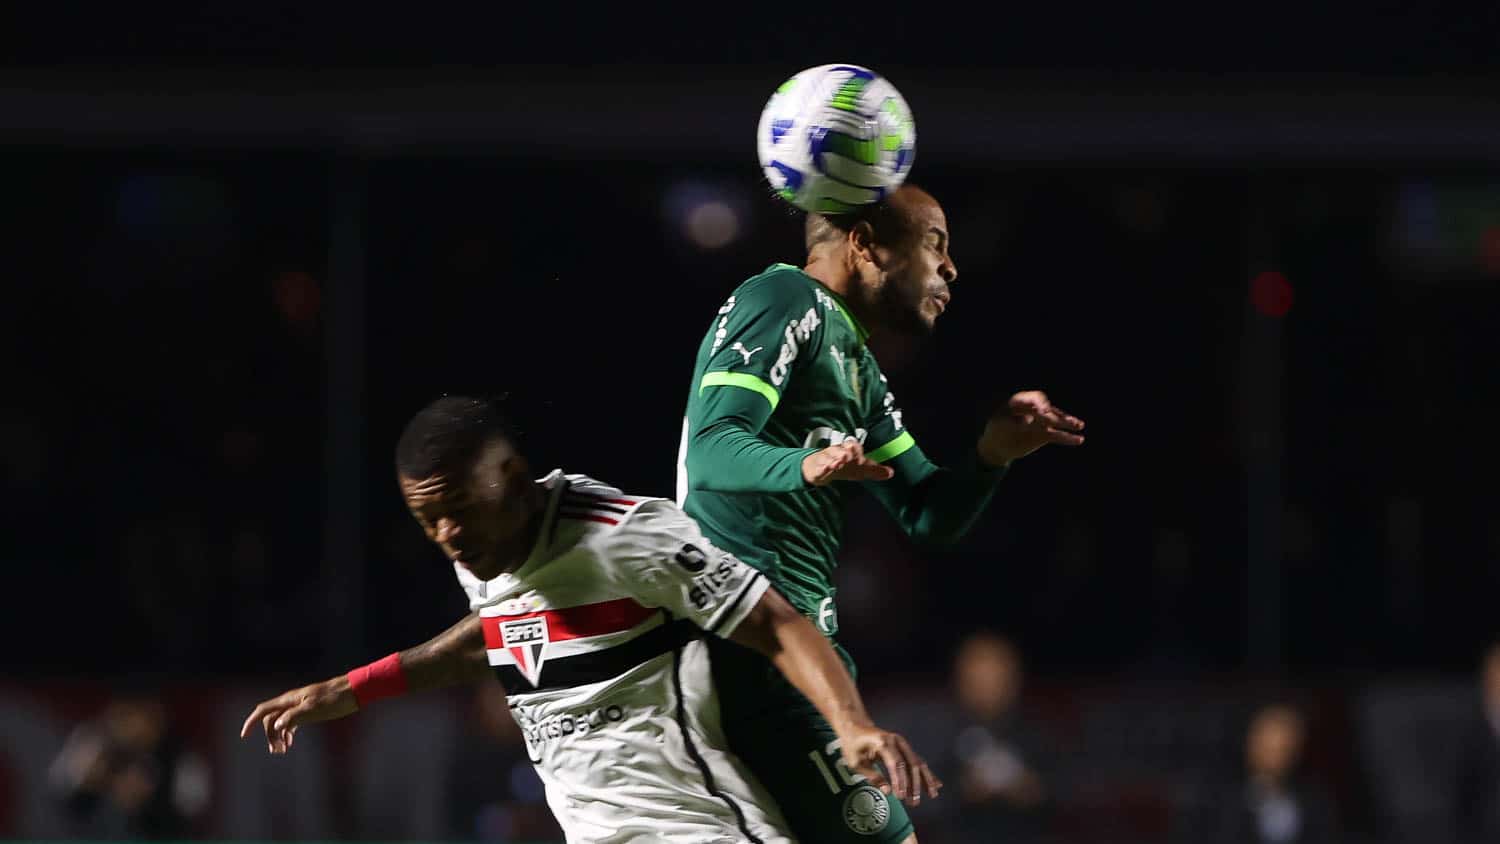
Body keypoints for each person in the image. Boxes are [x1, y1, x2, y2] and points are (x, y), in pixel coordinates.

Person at [240, 395, 938, 844]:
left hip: (693, 831)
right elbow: (495, 632)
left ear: (512, 480)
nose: (448, 534)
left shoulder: (623, 538)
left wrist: (851, 724)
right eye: (429, 520)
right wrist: (349, 689)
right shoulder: (486, 552)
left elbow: (775, 622)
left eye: (460, 510)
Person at [677, 182, 1085, 843]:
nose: (950, 267)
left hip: (797, 656)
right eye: (934, 244)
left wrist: (991, 455)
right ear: (863, 244)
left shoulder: (856, 364)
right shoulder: (782, 299)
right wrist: (801, 466)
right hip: (752, 648)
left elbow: (928, 514)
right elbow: (715, 447)